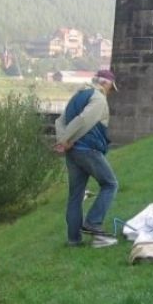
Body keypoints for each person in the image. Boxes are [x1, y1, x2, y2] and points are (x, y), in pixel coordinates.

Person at [54, 69, 120, 248]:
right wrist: (67, 139)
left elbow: (60, 121)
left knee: (75, 195)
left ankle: (73, 240)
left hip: (73, 152)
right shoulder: (98, 98)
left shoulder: (78, 95)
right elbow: (83, 121)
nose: (110, 92)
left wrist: (63, 140)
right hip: (87, 150)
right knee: (110, 184)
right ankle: (93, 223)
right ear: (105, 83)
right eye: (111, 88)